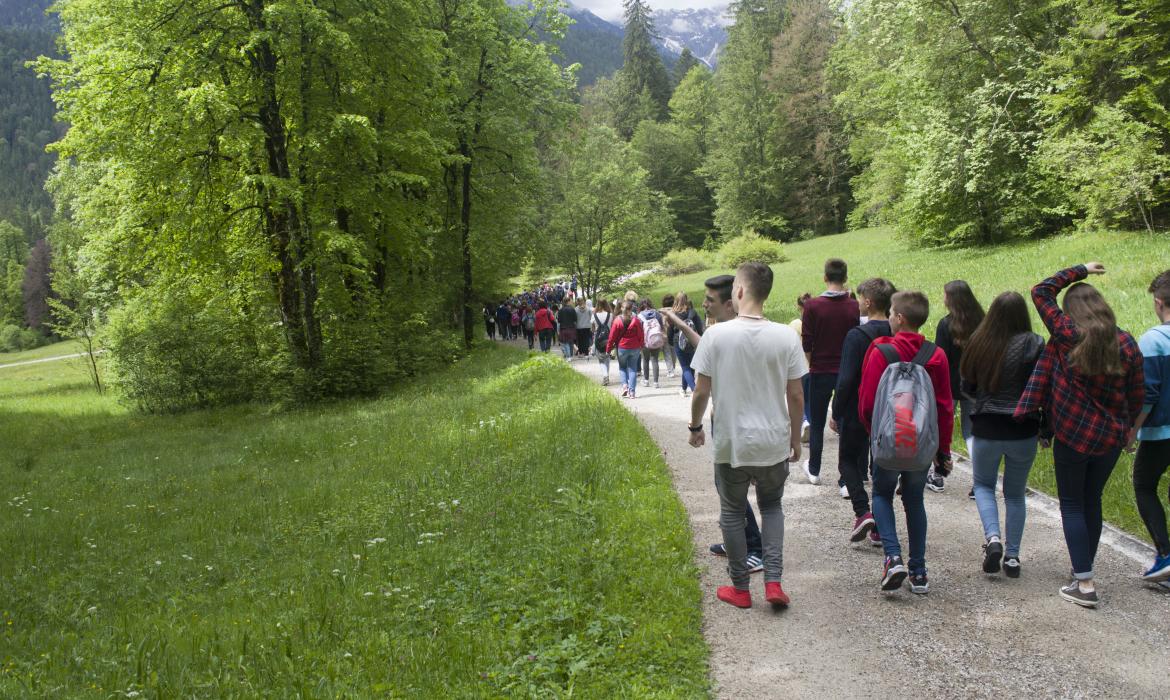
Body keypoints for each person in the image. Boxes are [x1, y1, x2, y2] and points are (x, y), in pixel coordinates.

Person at [1015, 263, 1144, 608]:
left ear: (1071, 312)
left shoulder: (1067, 334)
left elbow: (1040, 291)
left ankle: (1084, 581)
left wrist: (1081, 269)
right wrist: (1131, 432)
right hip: (1110, 437)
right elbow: (1136, 394)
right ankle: (1081, 569)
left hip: (1072, 432)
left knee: (1072, 503)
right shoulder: (1127, 343)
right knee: (1092, 501)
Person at [689, 262, 807, 609]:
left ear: (738, 292)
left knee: (732, 511)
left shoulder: (715, 336)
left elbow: (700, 392)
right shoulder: (787, 336)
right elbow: (797, 395)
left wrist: (695, 428)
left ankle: (740, 589)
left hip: (732, 444)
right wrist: (796, 439)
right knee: (772, 508)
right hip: (772, 442)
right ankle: (773, 582)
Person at [859, 291, 954, 594]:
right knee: (914, 500)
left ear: (899, 319)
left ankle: (892, 556)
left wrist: (873, 436)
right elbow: (944, 407)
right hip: (920, 445)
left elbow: (867, 402)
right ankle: (919, 571)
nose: (888, 319)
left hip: (888, 442)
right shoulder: (935, 355)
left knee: (882, 495)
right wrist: (942, 451)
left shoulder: (880, 350)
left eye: (890, 314)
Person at [960, 292, 1044, 578]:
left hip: (986, 426)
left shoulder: (979, 342)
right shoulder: (1034, 344)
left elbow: (967, 386)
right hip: (1023, 428)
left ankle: (992, 538)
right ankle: (1012, 556)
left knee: (983, 486)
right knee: (1015, 494)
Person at [830, 278, 896, 546]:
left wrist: (836, 411)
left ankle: (862, 511)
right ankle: (881, 525)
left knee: (847, 460)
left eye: (859, 298)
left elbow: (845, 379)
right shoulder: (897, 333)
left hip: (859, 408)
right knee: (881, 465)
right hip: (891, 409)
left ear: (868, 302)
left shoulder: (857, 335)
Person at [801, 259, 860, 485]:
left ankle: (814, 469)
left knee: (816, 422)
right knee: (846, 423)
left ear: (825, 277)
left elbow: (807, 342)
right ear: (845, 278)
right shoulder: (854, 306)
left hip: (820, 369)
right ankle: (845, 477)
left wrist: (812, 363)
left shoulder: (812, 306)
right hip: (848, 370)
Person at [931, 280, 985, 493]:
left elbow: (939, 358)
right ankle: (979, 481)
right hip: (975, 385)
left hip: (949, 384)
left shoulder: (946, 325)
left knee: (940, 428)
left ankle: (938, 475)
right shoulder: (983, 323)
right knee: (971, 433)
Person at [1135, 269, 1170, 583]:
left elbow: (1149, 393)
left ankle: (1165, 554)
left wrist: (1132, 429)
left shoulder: (1153, 340)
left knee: (1144, 485)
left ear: (1159, 302)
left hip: (1161, 432)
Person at [662, 292, 704, 398]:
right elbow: (699, 328)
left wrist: (671, 342)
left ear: (676, 301)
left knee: (685, 368)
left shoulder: (673, 314)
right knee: (691, 367)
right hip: (692, 342)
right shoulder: (693, 312)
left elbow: (670, 330)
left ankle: (694, 390)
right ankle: (684, 389)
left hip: (678, 342)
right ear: (687, 300)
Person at [606, 300, 644, 398]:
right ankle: (632, 392)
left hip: (622, 348)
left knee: (622, 367)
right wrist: (641, 345)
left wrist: (608, 349)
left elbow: (611, 337)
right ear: (631, 309)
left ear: (621, 308)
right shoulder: (636, 320)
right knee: (633, 369)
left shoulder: (617, 320)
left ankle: (625, 386)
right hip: (635, 347)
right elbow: (641, 334)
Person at [789, 294, 813, 443]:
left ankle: (804, 422)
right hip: (814, 368)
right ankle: (811, 423)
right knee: (810, 400)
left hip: (799, 368)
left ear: (799, 307)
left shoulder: (794, 324)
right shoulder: (816, 322)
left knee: (799, 398)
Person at [638, 299, 665, 388]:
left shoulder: (640, 316)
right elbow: (661, 326)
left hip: (645, 340)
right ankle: (656, 382)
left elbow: (638, 330)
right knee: (655, 359)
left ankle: (646, 381)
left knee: (645, 360)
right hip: (655, 338)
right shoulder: (657, 314)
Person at [593, 300, 614, 386]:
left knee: (601, 359)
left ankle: (605, 375)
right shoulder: (611, 315)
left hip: (598, 340)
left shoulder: (594, 316)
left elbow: (593, 329)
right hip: (608, 338)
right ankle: (607, 376)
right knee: (607, 357)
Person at [661, 294, 678, 379]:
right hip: (674, 333)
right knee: (673, 352)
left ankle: (670, 371)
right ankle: (673, 368)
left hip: (665, 334)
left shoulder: (661, 311)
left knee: (667, 353)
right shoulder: (675, 311)